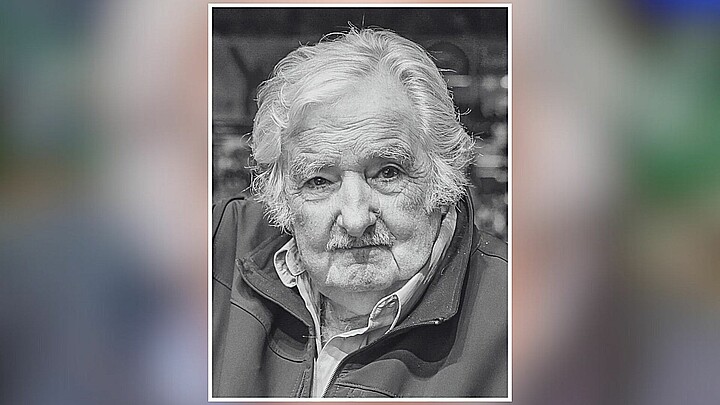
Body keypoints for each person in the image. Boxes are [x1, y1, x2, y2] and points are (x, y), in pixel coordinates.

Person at [212, 28, 508, 398]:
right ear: (282, 196)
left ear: (442, 178)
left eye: (388, 173)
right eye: (319, 181)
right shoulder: (218, 248)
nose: (355, 220)